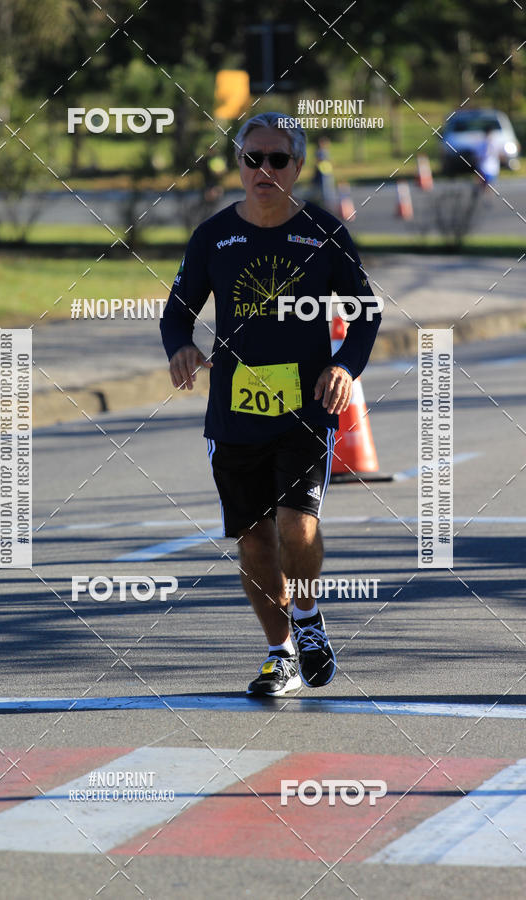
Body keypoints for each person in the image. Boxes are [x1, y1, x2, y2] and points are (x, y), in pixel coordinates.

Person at [160, 111, 381, 696]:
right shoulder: (213, 236)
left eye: (277, 159)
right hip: (234, 410)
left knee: (295, 524)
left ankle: (307, 618)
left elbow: (366, 313)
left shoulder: (325, 233)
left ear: (298, 167)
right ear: (238, 165)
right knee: (255, 538)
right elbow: (178, 310)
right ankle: (279, 655)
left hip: (306, 408)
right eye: (252, 158)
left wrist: (343, 365)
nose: (264, 170)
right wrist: (181, 346)